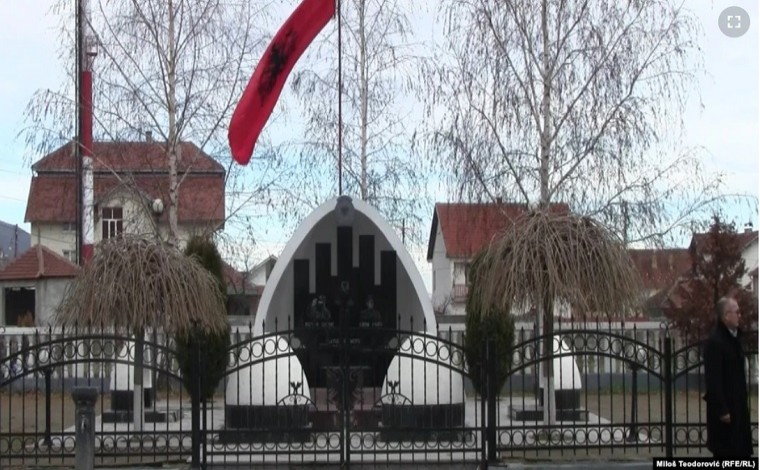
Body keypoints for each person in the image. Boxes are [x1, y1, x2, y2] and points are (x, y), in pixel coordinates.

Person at [703, 296, 753, 458]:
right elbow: (714, 381)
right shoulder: (715, 342)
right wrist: (723, 410)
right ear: (726, 315)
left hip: (738, 407)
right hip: (725, 414)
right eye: (736, 312)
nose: (740, 315)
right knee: (726, 453)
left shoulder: (735, 338)